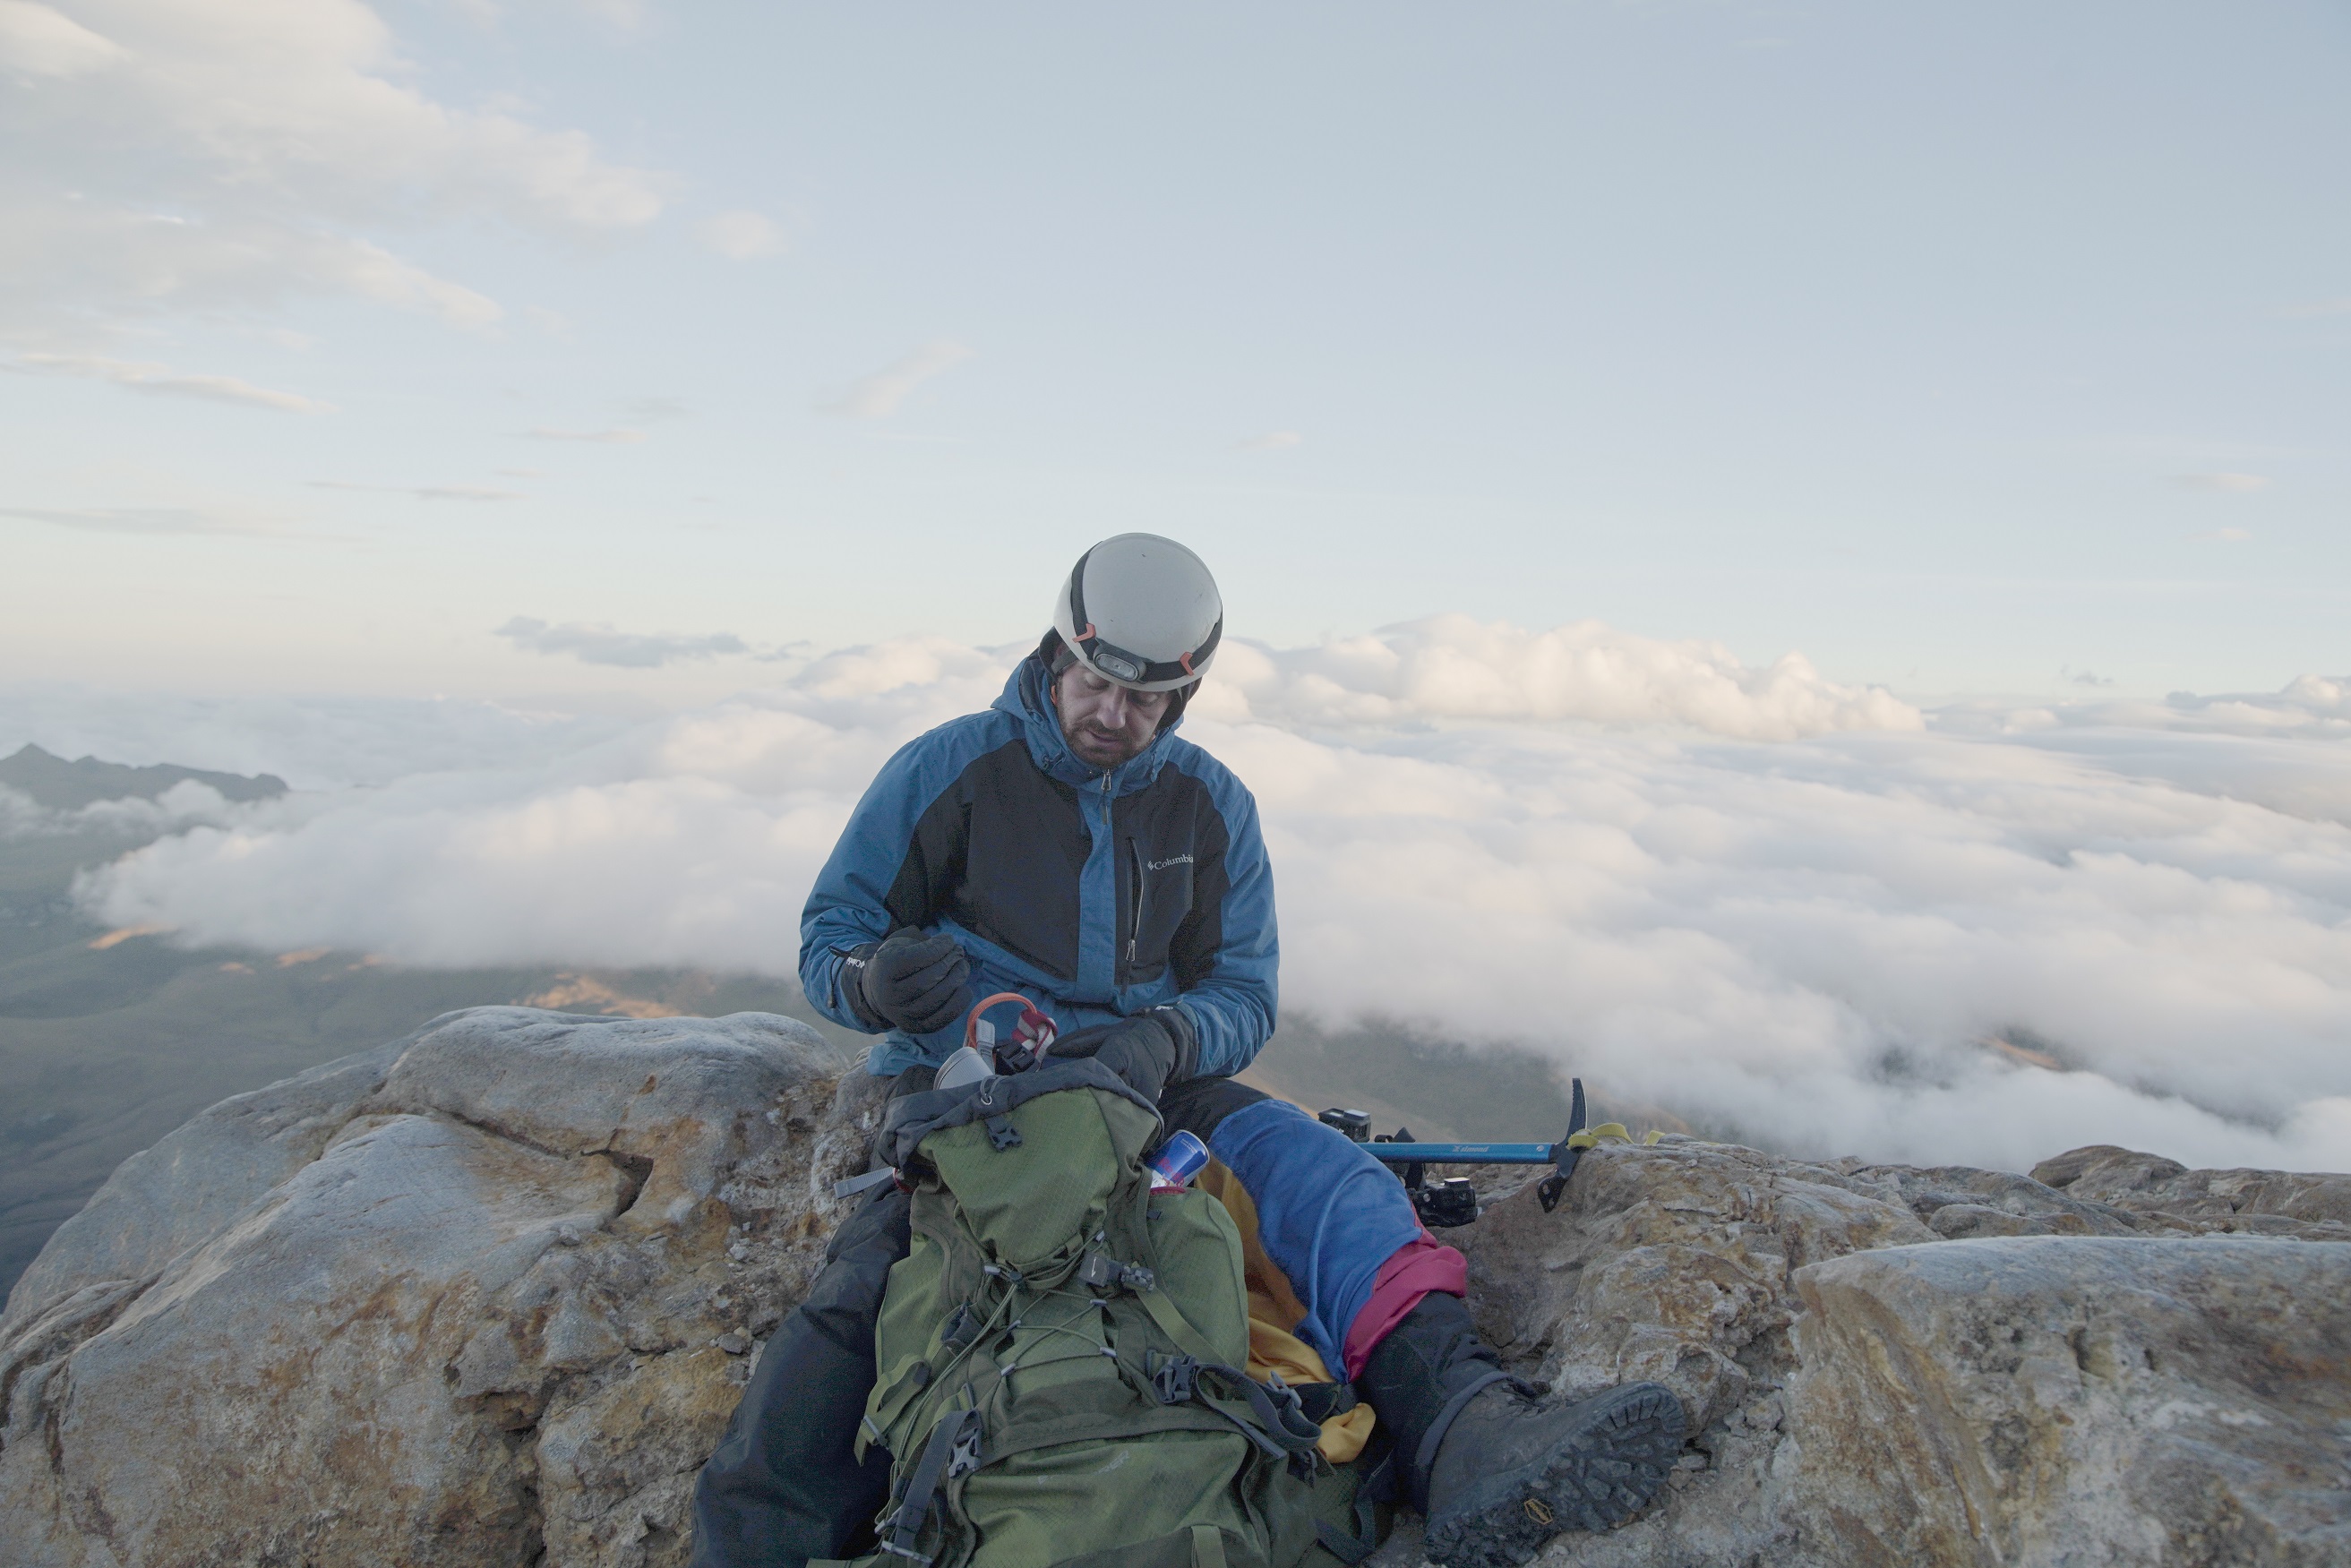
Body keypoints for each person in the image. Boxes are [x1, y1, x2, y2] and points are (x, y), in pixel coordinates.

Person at [690, 534, 1683, 1568]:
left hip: (1150, 1080)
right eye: (1094, 681)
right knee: (879, 1276)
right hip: (971, 1094)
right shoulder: (951, 770)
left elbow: (1245, 990)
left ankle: (1467, 1427)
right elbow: (831, 933)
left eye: (1146, 699)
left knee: (1326, 1180)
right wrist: (870, 982)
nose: (1111, 714)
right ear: (1055, 652)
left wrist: (1167, 1035)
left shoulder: (1211, 806)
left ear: (1185, 696)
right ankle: (756, 1534)